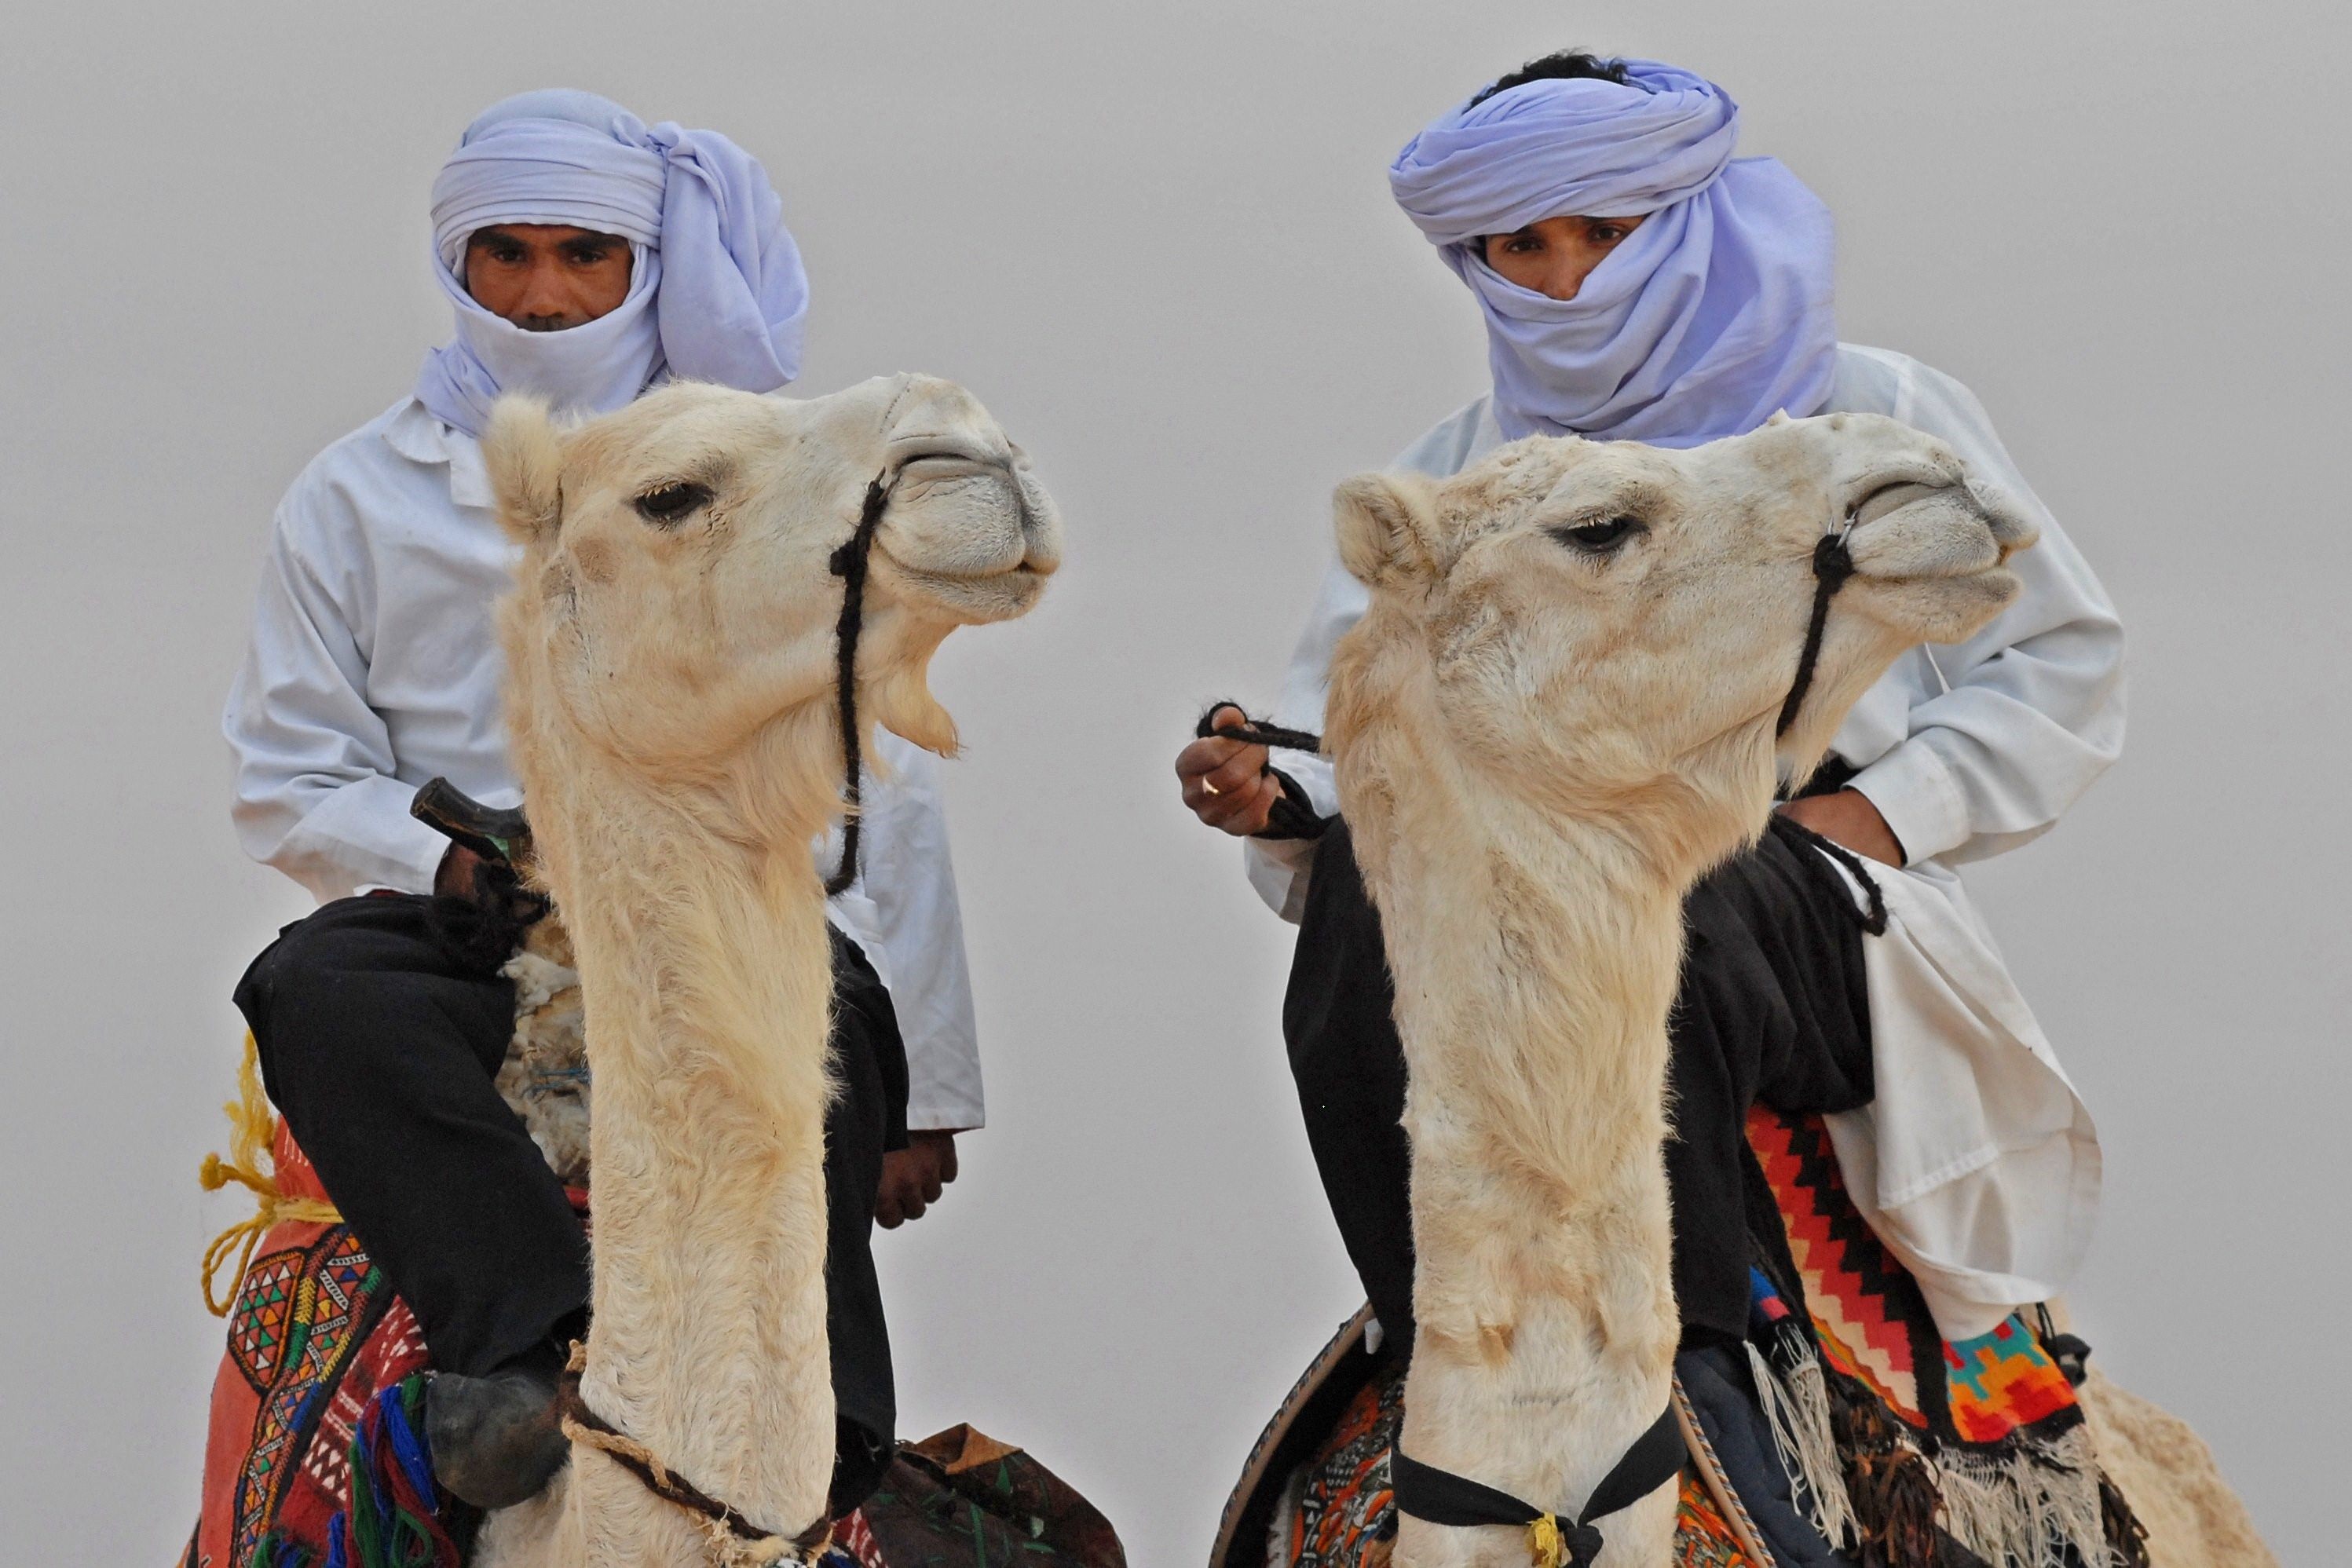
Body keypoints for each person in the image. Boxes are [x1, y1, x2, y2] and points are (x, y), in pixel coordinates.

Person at [1176, 51, 2122, 1558]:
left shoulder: (1867, 412)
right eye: (1524, 246)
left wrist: (1877, 814)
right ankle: (1447, 1344)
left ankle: (1685, 1360)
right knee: (1365, 883)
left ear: (1688, 215)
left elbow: (2061, 661)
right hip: (1517, 915)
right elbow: (1361, 727)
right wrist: (1278, 790)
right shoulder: (1462, 471)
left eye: (1606, 234)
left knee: (1661, 893)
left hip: (1801, 891)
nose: (1568, 278)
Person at [223, 90, 983, 1511]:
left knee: (808, 1017)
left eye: (587, 256)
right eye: (505, 255)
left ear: (647, 268)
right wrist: (454, 865)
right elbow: (290, 772)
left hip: (730, 914)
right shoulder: (352, 497)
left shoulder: (769, 492)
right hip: (469, 930)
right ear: (455, 267)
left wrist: (924, 1090)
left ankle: (836, 1446)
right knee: (309, 982)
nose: (546, 295)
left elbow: (889, 780)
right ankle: (520, 1349)